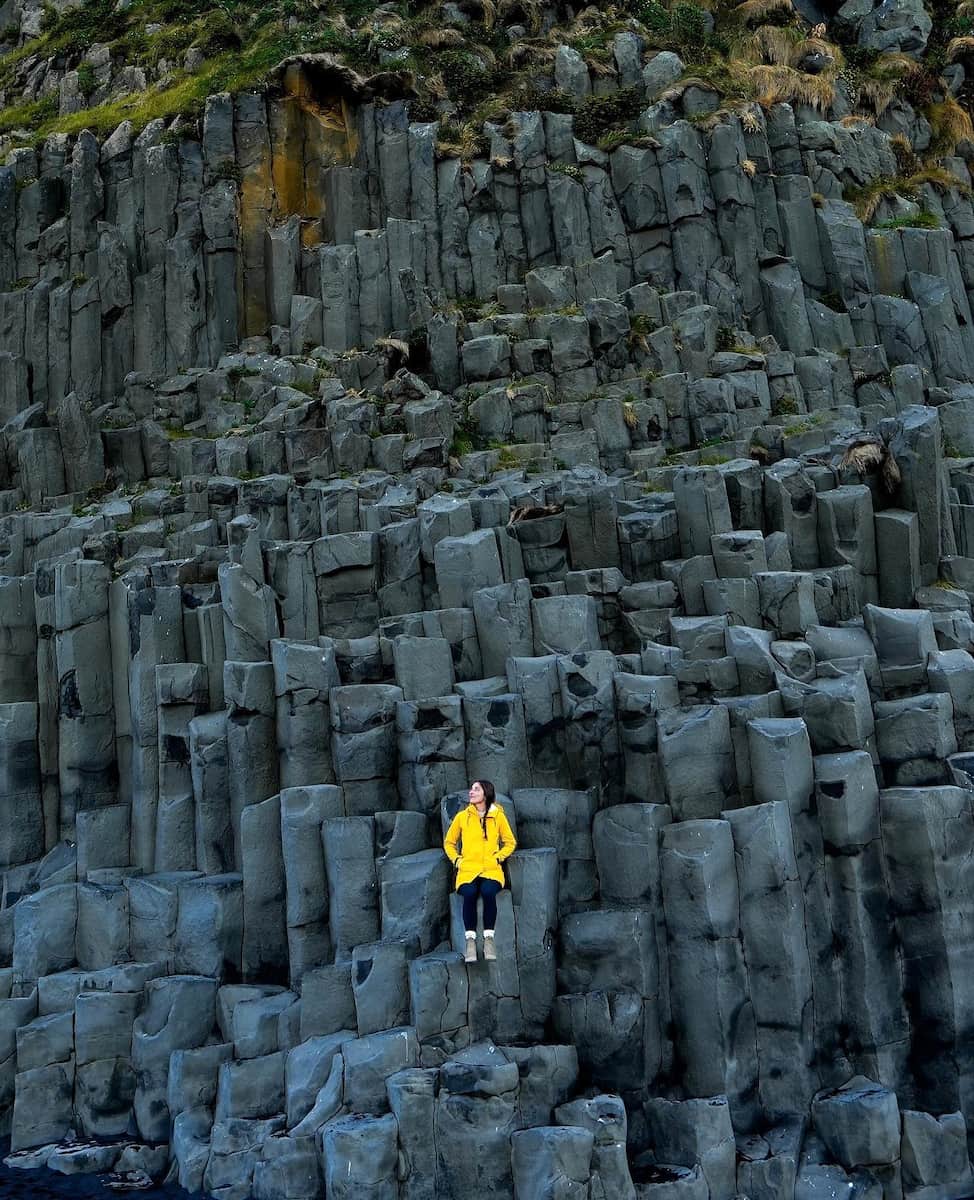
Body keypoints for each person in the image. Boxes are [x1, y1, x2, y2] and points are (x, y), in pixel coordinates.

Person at [443, 780, 517, 963]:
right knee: (469, 892)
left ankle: (489, 940)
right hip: (468, 870)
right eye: (471, 789)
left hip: (491, 870)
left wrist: (499, 857)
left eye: (476, 789)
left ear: (486, 793)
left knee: (488, 891)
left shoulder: (498, 816)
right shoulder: (462, 817)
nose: (471, 792)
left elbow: (510, 842)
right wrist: (457, 860)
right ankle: (470, 943)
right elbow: (449, 842)